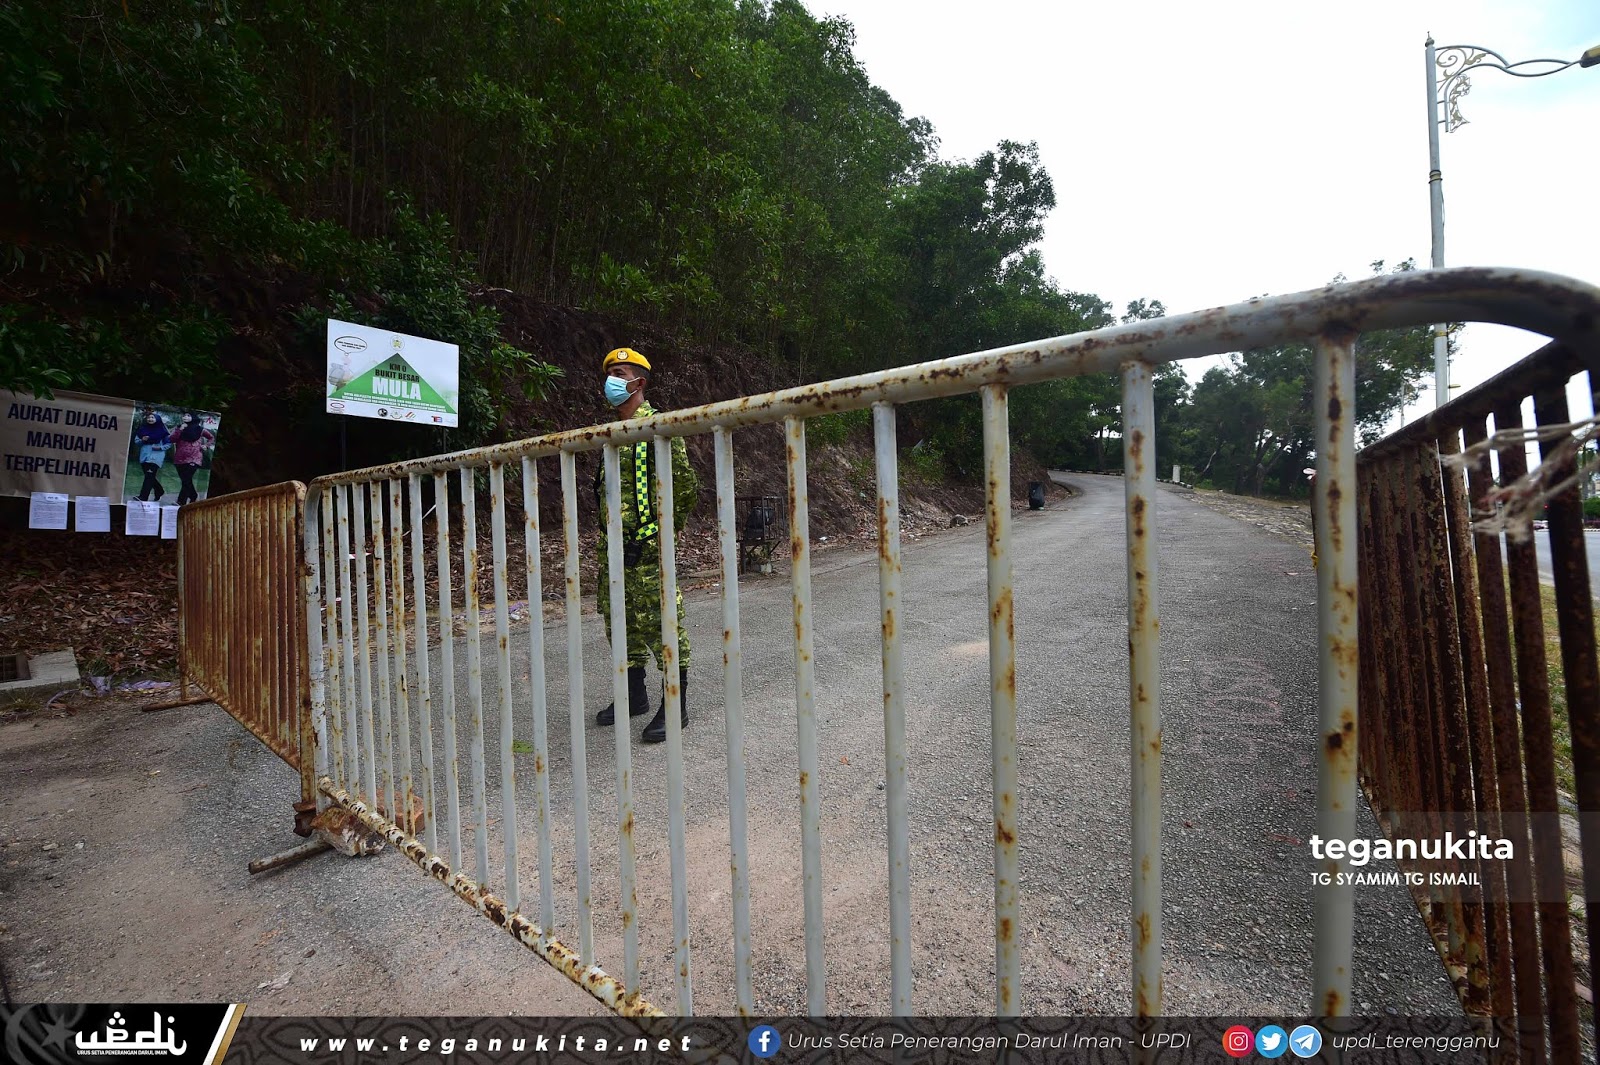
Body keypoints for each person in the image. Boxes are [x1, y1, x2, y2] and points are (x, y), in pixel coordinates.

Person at [591, 347, 698, 744]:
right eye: (611, 373)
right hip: (613, 548)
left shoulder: (658, 426)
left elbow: (683, 485)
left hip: (648, 547)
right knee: (617, 619)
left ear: (639, 383)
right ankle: (633, 695)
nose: (613, 381)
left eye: (620, 372)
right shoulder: (611, 434)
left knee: (662, 621)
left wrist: (659, 534)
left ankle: (675, 704)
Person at [172, 412, 214, 505]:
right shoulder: (179, 428)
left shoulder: (200, 429)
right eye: (184, 415)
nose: (185, 417)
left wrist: (206, 445)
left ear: (193, 417)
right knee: (186, 480)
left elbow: (211, 438)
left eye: (188, 415)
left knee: (186, 479)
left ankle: (181, 501)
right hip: (179, 458)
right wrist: (180, 429)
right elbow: (172, 439)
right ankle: (193, 495)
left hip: (194, 457)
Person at [133, 410, 171, 502]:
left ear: (157, 419)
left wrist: (160, 448)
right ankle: (159, 490)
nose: (150, 419)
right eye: (149, 417)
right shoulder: (143, 429)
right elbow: (137, 441)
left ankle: (143, 497)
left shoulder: (163, 431)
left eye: (152, 417)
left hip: (156, 457)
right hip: (144, 456)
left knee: (149, 476)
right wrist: (142, 440)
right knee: (149, 476)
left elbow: (168, 444)